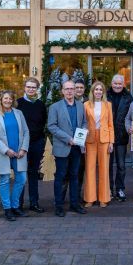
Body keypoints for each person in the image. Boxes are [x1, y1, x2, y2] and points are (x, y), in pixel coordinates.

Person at [47, 80, 87, 216]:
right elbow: (52, 126)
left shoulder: (81, 106)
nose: (70, 91)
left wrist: (82, 134)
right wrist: (67, 139)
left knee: (75, 176)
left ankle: (74, 204)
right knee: (61, 177)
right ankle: (59, 206)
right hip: (63, 147)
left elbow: (84, 123)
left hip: (77, 148)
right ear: (62, 91)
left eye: (72, 89)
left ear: (75, 91)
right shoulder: (55, 107)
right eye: (67, 89)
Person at [0, 90, 29, 222]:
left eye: (10, 99)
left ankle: (15, 206)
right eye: (5, 98)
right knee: (4, 180)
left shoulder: (19, 113)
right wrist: (6, 150)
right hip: (3, 154)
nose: (8, 101)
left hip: (19, 153)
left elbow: (26, 131)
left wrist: (23, 148)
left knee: (21, 179)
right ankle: (7, 209)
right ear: (0, 99)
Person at [15, 77, 46, 213]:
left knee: (33, 173)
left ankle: (34, 203)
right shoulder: (18, 104)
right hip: (21, 145)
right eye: (28, 87)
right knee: (21, 174)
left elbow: (43, 121)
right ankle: (18, 204)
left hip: (36, 142)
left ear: (37, 88)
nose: (31, 89)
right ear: (24, 88)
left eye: (33, 87)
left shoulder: (40, 104)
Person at [83, 81, 114, 208]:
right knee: (89, 169)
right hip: (89, 139)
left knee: (104, 169)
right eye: (96, 89)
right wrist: (82, 142)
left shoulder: (108, 105)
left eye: (101, 90)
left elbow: (110, 124)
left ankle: (104, 198)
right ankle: (90, 198)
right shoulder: (85, 105)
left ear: (103, 92)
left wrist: (111, 141)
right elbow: (83, 123)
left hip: (104, 139)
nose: (98, 92)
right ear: (92, 91)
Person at [106, 74, 132, 202]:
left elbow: (131, 116)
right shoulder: (105, 95)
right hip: (107, 136)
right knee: (108, 165)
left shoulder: (128, 97)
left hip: (122, 136)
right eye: (115, 83)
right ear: (111, 83)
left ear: (123, 84)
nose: (117, 86)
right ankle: (109, 189)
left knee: (121, 165)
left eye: (119, 84)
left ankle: (120, 188)